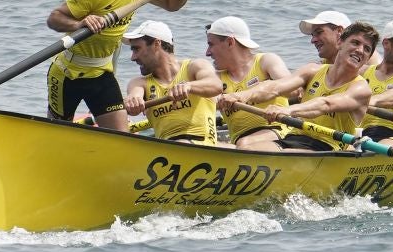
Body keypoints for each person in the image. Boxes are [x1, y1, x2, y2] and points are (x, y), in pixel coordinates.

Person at [45, 0, 194, 131]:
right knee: (55, 133)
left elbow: (171, 4)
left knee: (121, 135)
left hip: (101, 73)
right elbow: (54, 19)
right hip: (68, 74)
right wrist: (79, 24)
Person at [235, 22, 377, 152]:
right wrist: (240, 96)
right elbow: (275, 87)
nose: (360, 50)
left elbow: (326, 104)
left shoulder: (361, 89)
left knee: (280, 155)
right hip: (294, 138)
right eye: (355, 43)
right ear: (339, 42)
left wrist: (287, 110)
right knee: (244, 148)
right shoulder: (312, 70)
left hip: (326, 147)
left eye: (367, 49)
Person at [121, 20, 221, 143]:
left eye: (136, 49)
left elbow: (216, 85)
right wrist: (133, 101)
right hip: (167, 149)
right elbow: (134, 93)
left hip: (204, 148)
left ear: (157, 44)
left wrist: (189, 86)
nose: (133, 57)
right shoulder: (139, 83)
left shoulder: (194, 67)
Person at [205, 16, 292, 150]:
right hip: (240, 141)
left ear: (230, 42)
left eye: (211, 44)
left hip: (278, 131)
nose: (207, 53)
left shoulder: (266, 62)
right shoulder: (215, 78)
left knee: (244, 144)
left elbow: (294, 90)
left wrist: (253, 93)